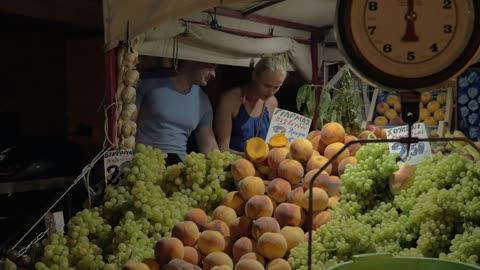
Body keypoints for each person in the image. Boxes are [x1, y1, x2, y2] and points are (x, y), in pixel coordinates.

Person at [135, 59, 219, 164]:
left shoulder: (203, 99)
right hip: (142, 166)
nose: (213, 74)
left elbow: (209, 147)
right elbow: (125, 128)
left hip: (177, 172)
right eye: (211, 66)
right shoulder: (147, 80)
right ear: (195, 59)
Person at [214, 55, 288, 156]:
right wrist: (251, 158)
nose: (271, 92)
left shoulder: (272, 102)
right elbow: (222, 149)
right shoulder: (230, 100)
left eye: (276, 87)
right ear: (254, 76)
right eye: (266, 86)